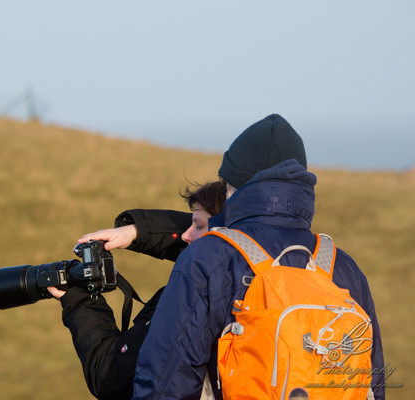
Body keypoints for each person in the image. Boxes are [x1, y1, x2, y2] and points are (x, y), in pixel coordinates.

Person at [132, 114, 385, 400]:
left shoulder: (208, 257)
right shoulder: (343, 267)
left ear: (231, 188)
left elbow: (166, 383)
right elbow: (371, 384)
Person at [47, 182, 226, 400]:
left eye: (197, 226)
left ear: (222, 232)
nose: (185, 236)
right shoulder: (265, 271)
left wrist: (78, 299)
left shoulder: (187, 299)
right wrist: (137, 230)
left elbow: (109, 377)